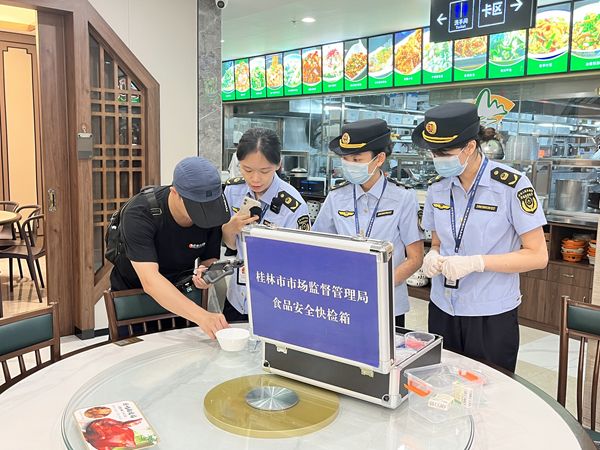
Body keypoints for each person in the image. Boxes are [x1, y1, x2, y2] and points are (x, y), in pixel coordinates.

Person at [413, 102, 548, 373]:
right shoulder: (438, 188)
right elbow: (438, 242)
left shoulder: (511, 185)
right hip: (442, 308)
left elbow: (537, 255)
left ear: (470, 147)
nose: (437, 159)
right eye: (433, 153)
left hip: (490, 313)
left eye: (444, 152)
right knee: (443, 387)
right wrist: (434, 254)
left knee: (489, 396)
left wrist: (477, 262)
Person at [312, 119, 424, 327]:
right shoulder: (336, 198)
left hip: (387, 302)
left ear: (379, 158)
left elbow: (415, 258)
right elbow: (317, 248)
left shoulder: (402, 198)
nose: (349, 165)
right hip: (343, 300)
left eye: (357, 159)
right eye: (345, 159)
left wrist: (379, 284)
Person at [109, 156, 230, 339]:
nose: (204, 214)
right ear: (175, 192)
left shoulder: (211, 213)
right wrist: (202, 316)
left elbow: (208, 258)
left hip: (183, 298)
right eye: (197, 208)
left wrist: (205, 274)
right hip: (135, 298)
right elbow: (150, 280)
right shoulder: (140, 213)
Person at [222, 128, 311, 322]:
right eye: (247, 170)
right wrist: (229, 230)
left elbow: (302, 262)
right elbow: (231, 246)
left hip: (275, 301)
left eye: (264, 171)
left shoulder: (293, 205)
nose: (255, 179)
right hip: (237, 297)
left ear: (278, 164)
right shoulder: (233, 191)